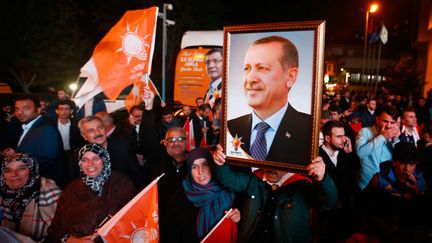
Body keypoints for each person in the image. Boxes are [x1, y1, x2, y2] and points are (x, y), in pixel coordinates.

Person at [212, 145, 337, 243]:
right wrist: (219, 162)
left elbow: (328, 202)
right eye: (267, 162)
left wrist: (323, 178)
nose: (270, 169)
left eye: (276, 163)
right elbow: (227, 179)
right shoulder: (255, 179)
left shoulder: (302, 185)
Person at [227, 35, 310, 165]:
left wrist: (322, 176)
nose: (250, 78)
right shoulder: (230, 128)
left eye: (262, 68)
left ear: (290, 77)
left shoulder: (309, 129)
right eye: (247, 68)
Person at [45, 143, 136, 242]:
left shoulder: (122, 183)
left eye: (96, 158)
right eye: (84, 160)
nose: (90, 164)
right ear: (80, 164)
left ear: (104, 160)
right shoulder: (71, 190)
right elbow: (56, 229)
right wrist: (72, 240)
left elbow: (133, 218)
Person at [161, 147, 240, 242]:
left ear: (212, 165)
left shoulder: (228, 191)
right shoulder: (177, 199)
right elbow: (169, 236)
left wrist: (237, 217)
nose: (200, 172)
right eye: (194, 167)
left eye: (205, 165)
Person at [139, 87, 188, 215]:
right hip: (159, 216)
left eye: (180, 139)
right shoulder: (157, 158)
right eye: (171, 140)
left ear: (186, 142)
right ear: (164, 143)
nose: (176, 143)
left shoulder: (194, 162)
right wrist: (148, 108)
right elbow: (148, 137)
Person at [1, 96, 67, 188]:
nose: (20, 112)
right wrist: (15, 153)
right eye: (17, 109)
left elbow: (46, 158)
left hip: (44, 184)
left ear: (39, 110)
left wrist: (18, 172)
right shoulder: (28, 125)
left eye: (26, 108)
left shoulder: (45, 128)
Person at [0, 153, 61, 242]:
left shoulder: (49, 190)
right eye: (8, 170)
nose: (14, 174)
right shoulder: (2, 191)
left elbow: (64, 230)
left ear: (32, 170)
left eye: (21, 168)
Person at [356, 106, 401, 190]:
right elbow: (360, 154)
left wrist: (395, 141)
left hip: (386, 186)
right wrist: (382, 137)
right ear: (377, 119)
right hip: (365, 185)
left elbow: (400, 161)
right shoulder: (364, 132)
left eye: (392, 122)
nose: (388, 126)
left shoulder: (395, 137)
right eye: (385, 121)